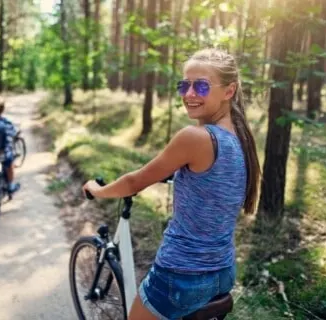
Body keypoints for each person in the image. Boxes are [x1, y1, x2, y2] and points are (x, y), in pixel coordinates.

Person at [82, 48, 261, 320]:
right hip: (222, 271)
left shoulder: (196, 137)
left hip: (180, 275)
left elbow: (133, 182)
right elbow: (213, 179)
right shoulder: (241, 137)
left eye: (201, 86)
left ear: (229, 91)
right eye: (184, 85)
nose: (189, 94)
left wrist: (97, 190)